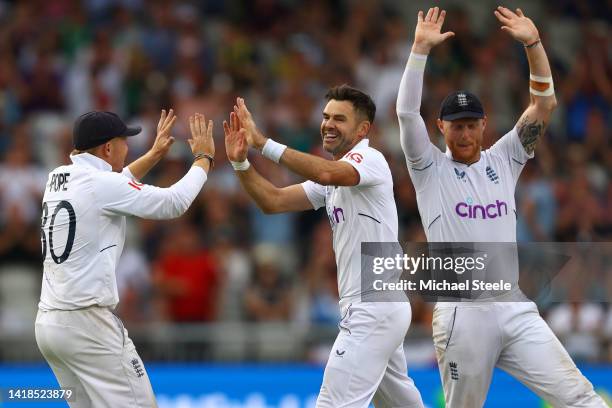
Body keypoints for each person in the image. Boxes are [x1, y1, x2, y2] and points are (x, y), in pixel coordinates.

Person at [397, 6, 607, 407]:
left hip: (513, 305)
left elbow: (544, 104)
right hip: (464, 314)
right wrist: (419, 50)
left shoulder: (504, 158)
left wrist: (534, 44)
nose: (464, 132)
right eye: (455, 124)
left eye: (471, 123)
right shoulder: (429, 169)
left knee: (581, 397)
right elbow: (406, 114)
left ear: (484, 124)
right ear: (440, 127)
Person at [224, 89, 424, 407]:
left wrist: (263, 144)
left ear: (363, 130)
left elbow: (325, 172)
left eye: (339, 119)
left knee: (331, 403)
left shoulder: (368, 159)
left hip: (372, 308)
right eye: (326, 116)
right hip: (378, 307)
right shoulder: (332, 177)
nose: (329, 124)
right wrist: (241, 164)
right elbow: (273, 201)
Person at [35, 109, 215, 407]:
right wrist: (203, 160)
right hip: (88, 325)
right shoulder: (101, 185)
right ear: (108, 148)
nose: (128, 147)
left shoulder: (58, 176)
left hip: (50, 325)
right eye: (123, 141)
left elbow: (114, 185)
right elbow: (174, 203)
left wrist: (155, 154)